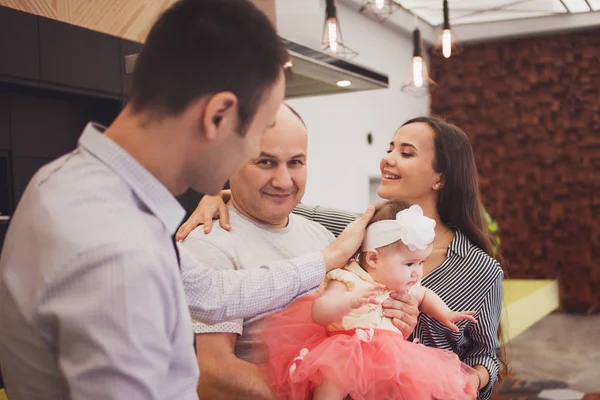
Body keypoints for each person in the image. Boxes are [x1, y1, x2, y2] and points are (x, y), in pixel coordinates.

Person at [0, 1, 373, 399]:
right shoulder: (116, 247)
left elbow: (215, 294)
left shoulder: (70, 182)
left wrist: (326, 259)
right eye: (259, 136)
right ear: (218, 116)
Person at [176, 116, 506, 400]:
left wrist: (470, 379)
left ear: (440, 177)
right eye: (390, 148)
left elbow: (483, 354)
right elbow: (277, 200)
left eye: (405, 153)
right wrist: (216, 194)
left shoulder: (479, 268)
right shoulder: (357, 232)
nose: (388, 159)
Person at [181, 104, 413, 399]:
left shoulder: (321, 233)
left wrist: (395, 321)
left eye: (295, 162)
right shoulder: (210, 244)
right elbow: (214, 374)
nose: (283, 181)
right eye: (265, 162)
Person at [262, 202, 479, 400]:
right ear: (374, 258)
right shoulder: (349, 278)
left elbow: (427, 297)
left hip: (392, 357)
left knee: (409, 387)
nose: (417, 273)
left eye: (421, 262)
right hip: (346, 348)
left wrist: (446, 313)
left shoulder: (406, 288)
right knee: (332, 381)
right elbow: (319, 311)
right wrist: (348, 301)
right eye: (409, 264)